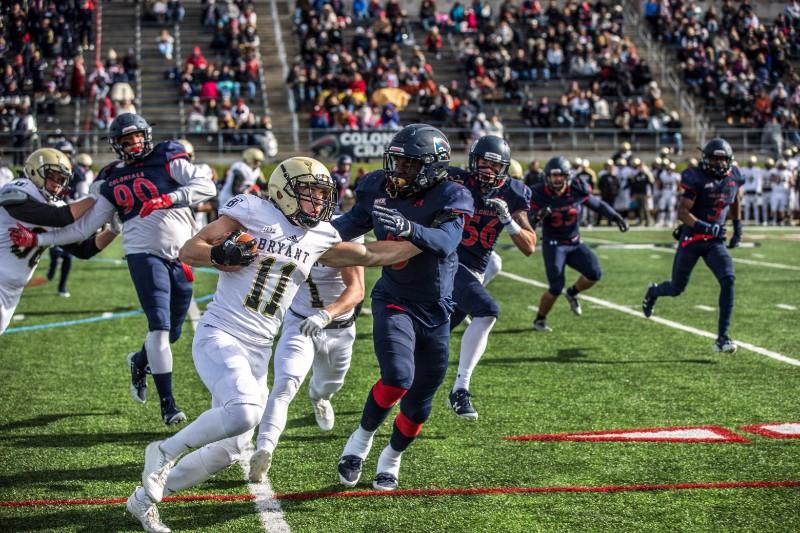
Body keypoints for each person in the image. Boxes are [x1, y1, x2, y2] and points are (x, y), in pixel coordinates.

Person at [123, 157, 423, 533]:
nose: (318, 202)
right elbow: (189, 249)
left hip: (260, 348)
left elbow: (373, 254)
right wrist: (218, 255)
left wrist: (430, 240)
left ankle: (143, 500)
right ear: (283, 191)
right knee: (246, 411)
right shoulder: (251, 211)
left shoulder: (321, 236)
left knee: (231, 449)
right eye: (309, 193)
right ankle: (163, 452)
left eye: (321, 194)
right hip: (222, 333)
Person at [9, 113, 216, 425]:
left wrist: (166, 199)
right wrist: (40, 238)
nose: (133, 143)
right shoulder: (110, 177)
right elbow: (82, 230)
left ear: (146, 136)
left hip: (181, 255)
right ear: (116, 145)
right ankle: (169, 405)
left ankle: (139, 361)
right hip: (141, 253)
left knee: (173, 332)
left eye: (136, 137)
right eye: (125, 140)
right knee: (158, 328)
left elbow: (206, 187)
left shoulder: (167, 156)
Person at [331, 123, 474, 491]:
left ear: (433, 166)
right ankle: (359, 442)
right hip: (394, 298)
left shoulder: (452, 193)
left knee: (420, 403)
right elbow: (346, 226)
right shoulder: (378, 187)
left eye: (409, 165)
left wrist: (411, 229)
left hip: (438, 307)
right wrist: (296, 236)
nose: (399, 171)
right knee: (397, 377)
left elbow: (445, 241)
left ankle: (391, 458)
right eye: (396, 162)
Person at [249, 202, 366, 482]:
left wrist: (326, 315)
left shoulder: (339, 233)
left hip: (338, 327)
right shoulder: (283, 232)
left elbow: (357, 290)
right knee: (285, 383)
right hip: (300, 322)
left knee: (330, 384)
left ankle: (319, 397)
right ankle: (264, 448)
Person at [446, 136, 536, 420]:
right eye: (482, 163)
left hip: (474, 270)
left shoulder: (514, 193)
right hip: (446, 261)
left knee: (435, 338)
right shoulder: (456, 180)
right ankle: (460, 388)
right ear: (472, 162)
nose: (487, 169)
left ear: (505, 168)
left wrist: (508, 221)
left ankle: (398, 388)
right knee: (487, 311)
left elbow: (529, 246)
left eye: (494, 165)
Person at [642, 138, 744, 353]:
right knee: (677, 288)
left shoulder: (734, 176)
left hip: (714, 241)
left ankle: (722, 337)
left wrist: (737, 226)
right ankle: (653, 291)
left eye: (722, 159)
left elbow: (735, 199)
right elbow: (682, 213)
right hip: (693, 238)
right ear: (706, 159)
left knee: (729, 280)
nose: (718, 164)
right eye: (714, 159)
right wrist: (708, 228)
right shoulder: (695, 176)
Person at [1, 149, 116, 334]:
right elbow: (59, 217)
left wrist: (114, 230)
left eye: (62, 180)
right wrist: (95, 197)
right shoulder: (18, 189)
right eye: (53, 177)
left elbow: (84, 249)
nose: (57, 185)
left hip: (11, 292)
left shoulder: (54, 206)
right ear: (34, 172)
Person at [529, 156, 629, 332]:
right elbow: (528, 222)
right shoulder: (539, 193)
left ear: (568, 176)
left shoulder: (577, 189)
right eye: (554, 176)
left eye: (561, 176)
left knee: (594, 272)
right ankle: (540, 319)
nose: (557, 179)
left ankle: (573, 292)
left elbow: (597, 204)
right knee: (555, 286)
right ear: (547, 177)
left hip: (575, 242)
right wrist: (537, 216)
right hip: (554, 244)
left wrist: (615, 216)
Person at [740, 156, 762, 225]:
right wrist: (743, 190)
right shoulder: (744, 169)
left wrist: (758, 190)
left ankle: (756, 221)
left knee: (756, 208)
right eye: (749, 162)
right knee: (746, 208)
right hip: (747, 192)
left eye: (751, 162)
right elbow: (742, 181)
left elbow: (759, 181)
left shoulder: (757, 170)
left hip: (754, 192)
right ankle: (746, 221)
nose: (750, 163)